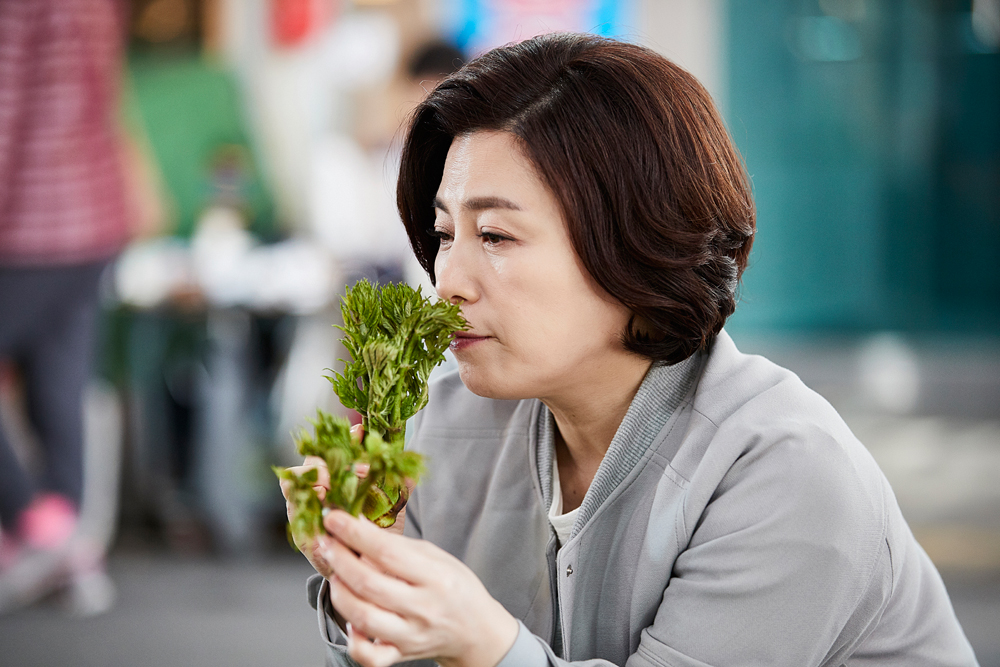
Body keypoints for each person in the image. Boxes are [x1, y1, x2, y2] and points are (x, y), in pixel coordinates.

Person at [282, 33, 978, 667]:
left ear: (637, 245)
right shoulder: (447, 429)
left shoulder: (786, 470)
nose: (447, 282)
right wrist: (360, 572)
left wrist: (487, 646)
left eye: (494, 235)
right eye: (444, 234)